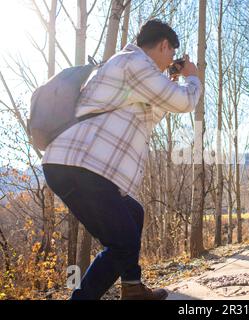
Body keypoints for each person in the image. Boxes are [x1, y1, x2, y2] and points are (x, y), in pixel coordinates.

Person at [41, 19, 202, 300]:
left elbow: (149, 115)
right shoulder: (134, 62)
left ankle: (132, 287)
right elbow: (183, 103)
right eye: (171, 56)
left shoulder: (130, 68)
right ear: (165, 45)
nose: (169, 63)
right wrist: (193, 77)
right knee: (120, 243)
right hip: (80, 165)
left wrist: (169, 80)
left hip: (80, 166)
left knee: (133, 213)